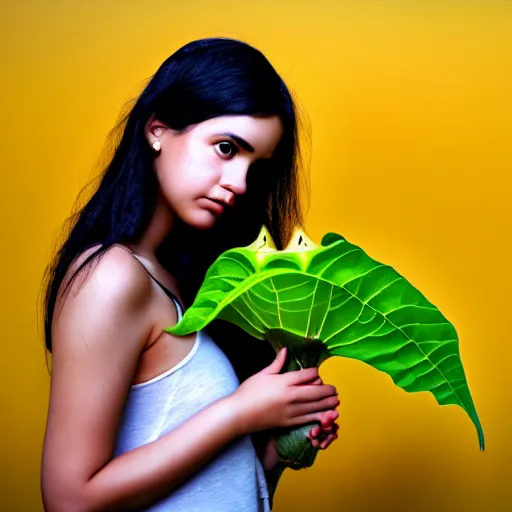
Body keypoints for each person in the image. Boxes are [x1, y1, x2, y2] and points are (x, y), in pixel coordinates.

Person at [40, 37, 340, 512]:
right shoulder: (112, 278)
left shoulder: (189, 281)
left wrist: (274, 448)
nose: (239, 184)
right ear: (157, 129)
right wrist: (239, 413)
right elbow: (70, 500)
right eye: (226, 148)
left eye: (255, 167)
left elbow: (214, 492)